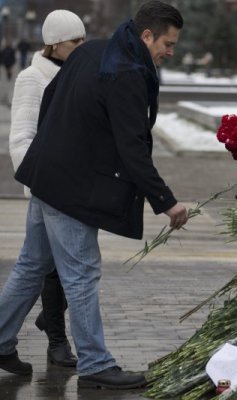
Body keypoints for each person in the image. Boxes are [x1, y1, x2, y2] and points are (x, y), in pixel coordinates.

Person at [0, 1, 187, 390]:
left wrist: (48, 150)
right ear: (146, 35)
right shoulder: (126, 72)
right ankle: (96, 364)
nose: (170, 52)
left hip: (47, 176)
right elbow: (133, 147)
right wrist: (166, 202)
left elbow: (52, 100)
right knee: (81, 272)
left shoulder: (92, 50)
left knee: (31, 267)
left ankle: (1, 341)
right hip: (70, 186)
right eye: (167, 44)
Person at [8, 9, 86, 369]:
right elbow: (21, 137)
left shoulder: (77, 73)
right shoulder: (32, 78)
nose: (81, 47)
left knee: (37, 267)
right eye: (75, 42)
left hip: (71, 184)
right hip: (49, 186)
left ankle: (17, 335)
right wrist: (39, 182)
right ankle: (58, 341)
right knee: (67, 268)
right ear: (54, 44)